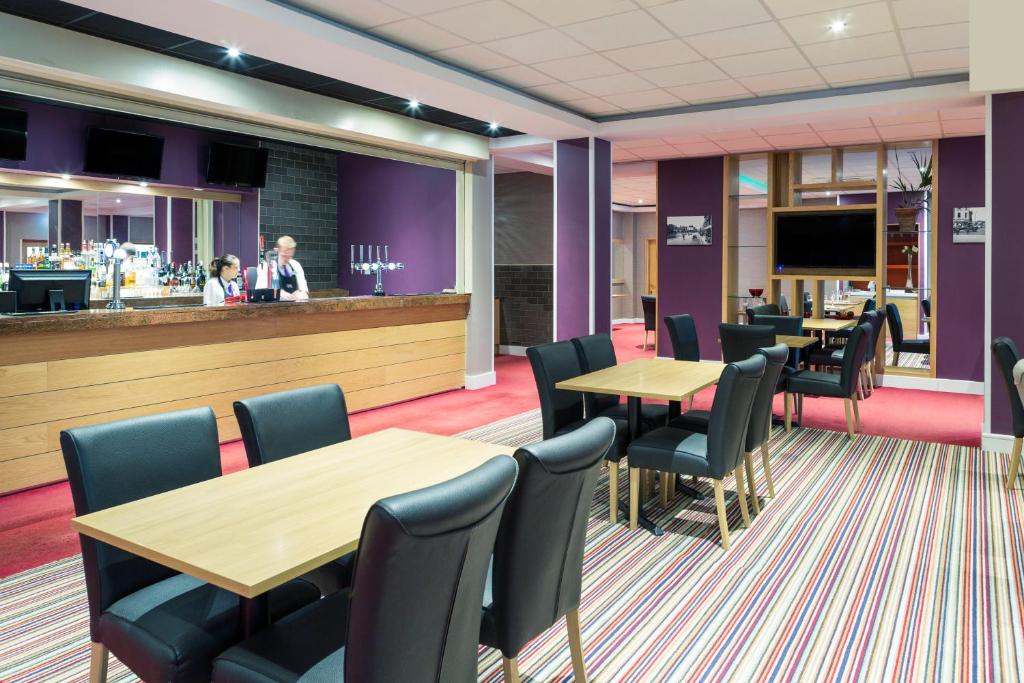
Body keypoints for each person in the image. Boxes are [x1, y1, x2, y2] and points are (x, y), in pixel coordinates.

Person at [257, 235, 309, 301]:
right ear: (277, 251)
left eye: (290, 256)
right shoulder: (265, 266)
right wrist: (278, 293)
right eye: (284, 256)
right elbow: (260, 292)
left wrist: (301, 294)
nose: (287, 259)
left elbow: (304, 289)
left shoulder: (296, 265)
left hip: (294, 304)